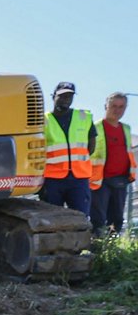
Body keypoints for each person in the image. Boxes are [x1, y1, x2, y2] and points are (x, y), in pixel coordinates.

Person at [41, 81, 102, 216]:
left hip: (78, 179)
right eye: (62, 96)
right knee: (52, 219)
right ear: (53, 96)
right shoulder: (43, 120)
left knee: (81, 218)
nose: (66, 99)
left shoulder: (84, 117)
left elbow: (91, 147)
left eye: (69, 96)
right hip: (52, 179)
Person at [91, 92, 133, 237]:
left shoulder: (126, 129)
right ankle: (97, 246)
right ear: (106, 106)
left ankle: (112, 246)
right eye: (114, 106)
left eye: (121, 107)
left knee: (117, 219)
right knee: (98, 219)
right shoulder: (95, 127)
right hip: (100, 181)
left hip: (121, 180)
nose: (117, 110)